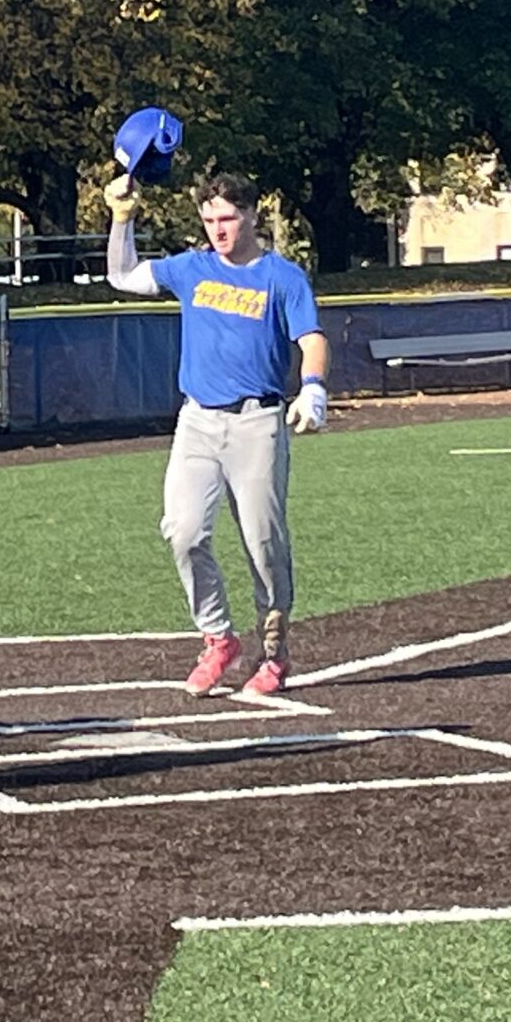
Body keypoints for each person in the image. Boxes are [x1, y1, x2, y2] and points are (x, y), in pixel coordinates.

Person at [105, 169, 327, 697]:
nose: (218, 229)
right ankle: (218, 637)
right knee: (183, 531)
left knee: (263, 544)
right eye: (209, 220)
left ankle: (273, 653)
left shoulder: (282, 277)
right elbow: (122, 275)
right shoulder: (192, 268)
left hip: (257, 423)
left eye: (228, 218)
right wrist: (121, 218)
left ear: (251, 214)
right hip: (198, 421)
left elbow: (312, 339)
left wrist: (313, 387)